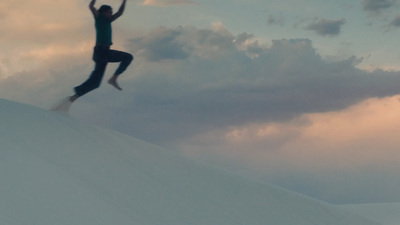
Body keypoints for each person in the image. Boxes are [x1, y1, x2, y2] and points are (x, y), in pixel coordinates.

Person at [69, 0, 133, 103]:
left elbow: (120, 13)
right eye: (109, 12)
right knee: (128, 57)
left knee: (96, 83)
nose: (111, 14)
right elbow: (91, 6)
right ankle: (113, 79)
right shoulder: (99, 18)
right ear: (103, 12)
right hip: (101, 51)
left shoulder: (109, 20)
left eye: (111, 13)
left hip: (104, 53)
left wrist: (124, 1)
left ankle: (74, 97)